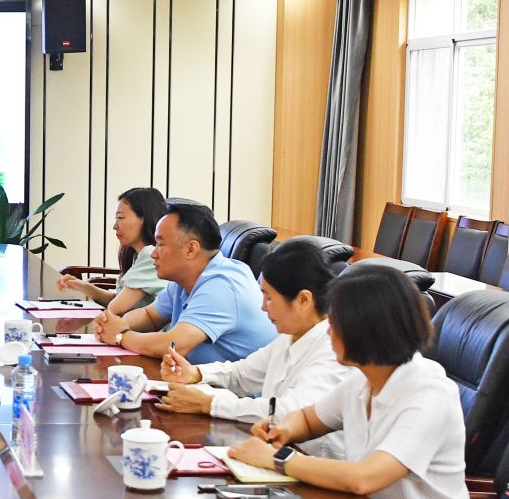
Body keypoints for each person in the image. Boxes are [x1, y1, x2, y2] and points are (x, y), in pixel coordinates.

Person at [227, 264, 474, 499]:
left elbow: (365, 478)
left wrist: (277, 458)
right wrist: (283, 430)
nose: (328, 332)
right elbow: (308, 419)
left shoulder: (428, 394)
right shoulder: (362, 379)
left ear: (365, 330)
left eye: (335, 323)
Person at [155, 237, 345, 441]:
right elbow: (241, 374)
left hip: (305, 457)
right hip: (270, 445)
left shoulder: (332, 351)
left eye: (269, 298)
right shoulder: (291, 336)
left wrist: (209, 404)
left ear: (303, 300)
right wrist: (195, 373)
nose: (263, 307)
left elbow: (291, 412)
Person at [103, 201, 277, 364]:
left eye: (160, 244)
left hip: (239, 387)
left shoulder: (221, 286)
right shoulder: (185, 278)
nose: (153, 254)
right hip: (200, 379)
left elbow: (174, 345)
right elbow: (151, 316)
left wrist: (120, 337)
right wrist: (121, 324)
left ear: (191, 249)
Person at [60, 186, 167, 318]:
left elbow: (114, 308)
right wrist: (81, 286)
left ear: (145, 218)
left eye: (120, 218)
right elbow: (117, 300)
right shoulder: (137, 255)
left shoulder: (151, 255)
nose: (115, 226)